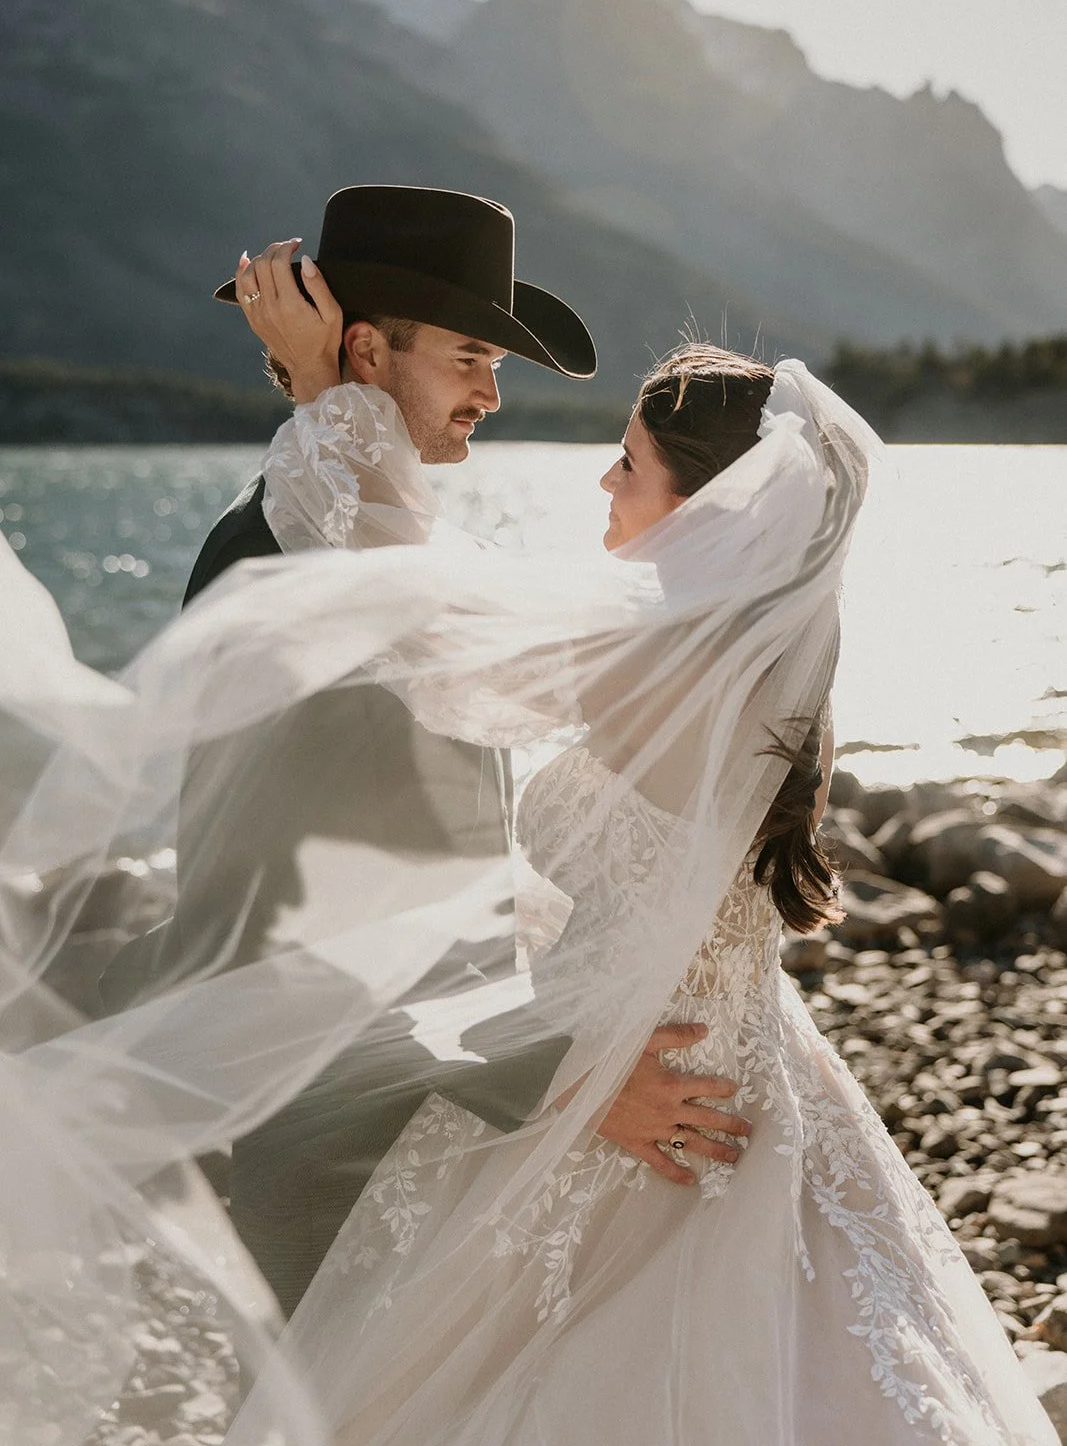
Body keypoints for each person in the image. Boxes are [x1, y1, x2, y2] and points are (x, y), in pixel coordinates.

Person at [207, 326, 1053, 1444]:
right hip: (726, 1058)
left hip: (629, 1087)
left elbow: (413, 609)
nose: (602, 482)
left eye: (628, 463)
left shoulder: (655, 658)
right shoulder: (749, 652)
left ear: (715, 510)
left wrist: (328, 404)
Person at [98, 185, 751, 1320]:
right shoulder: (288, 561)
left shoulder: (371, 533)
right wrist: (564, 1079)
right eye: (466, 356)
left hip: (422, 1118)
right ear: (366, 344)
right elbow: (287, 928)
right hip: (332, 1149)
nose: (492, 394)